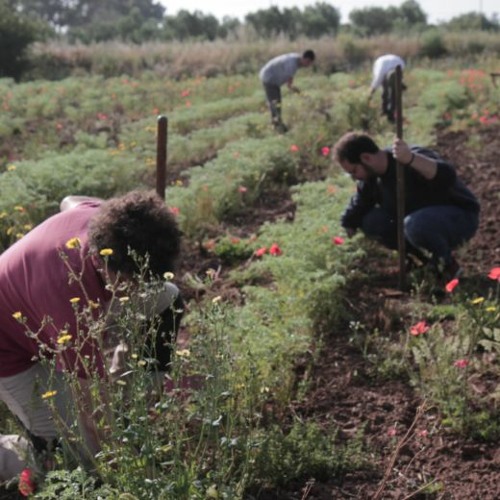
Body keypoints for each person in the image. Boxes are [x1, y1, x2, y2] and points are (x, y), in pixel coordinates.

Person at [0, 190, 184, 481]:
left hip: (57, 304)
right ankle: (9, 454)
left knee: (167, 298)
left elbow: (69, 200)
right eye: (128, 282)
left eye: (144, 278)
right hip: (11, 349)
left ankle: (131, 401)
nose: (136, 290)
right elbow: (91, 409)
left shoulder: (107, 221)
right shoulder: (67, 298)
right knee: (66, 460)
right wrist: (126, 471)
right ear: (100, 261)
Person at [333, 132, 480, 279]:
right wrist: (347, 223)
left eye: (354, 171)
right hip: (418, 224)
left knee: (415, 224)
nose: (355, 177)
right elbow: (359, 204)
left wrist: (410, 159)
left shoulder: (410, 157)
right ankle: (423, 261)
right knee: (371, 221)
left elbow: (447, 175)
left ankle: (447, 267)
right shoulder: (371, 180)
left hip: (459, 218)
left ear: (366, 158)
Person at [259, 49, 315, 132]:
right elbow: (289, 86)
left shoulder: (296, 60)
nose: (308, 65)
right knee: (275, 103)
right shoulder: (292, 65)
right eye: (308, 62)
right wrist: (303, 95)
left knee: (276, 102)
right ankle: (278, 128)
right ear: (304, 59)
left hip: (273, 79)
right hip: (269, 78)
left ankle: (277, 125)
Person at [368, 54, 406, 123]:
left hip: (397, 63)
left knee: (394, 92)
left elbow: (399, 77)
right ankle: (385, 111)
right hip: (389, 64)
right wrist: (370, 93)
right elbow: (376, 81)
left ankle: (391, 113)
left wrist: (369, 95)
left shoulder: (400, 65)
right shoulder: (380, 70)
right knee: (385, 91)